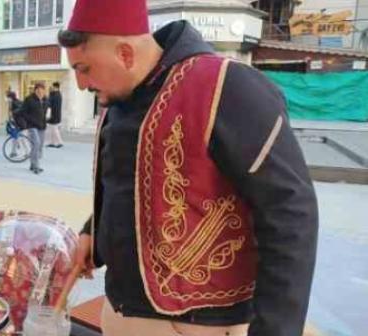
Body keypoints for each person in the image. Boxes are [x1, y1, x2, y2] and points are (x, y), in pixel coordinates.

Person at [60, 1, 319, 336]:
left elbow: (291, 211)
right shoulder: (119, 97)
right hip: (120, 311)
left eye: (84, 68)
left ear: (125, 54)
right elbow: (131, 186)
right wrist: (91, 234)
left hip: (199, 325)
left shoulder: (227, 86)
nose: (81, 85)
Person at [21, 83, 49, 174]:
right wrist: (30, 121)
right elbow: (23, 112)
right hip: (32, 126)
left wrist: (45, 123)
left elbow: (44, 113)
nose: (40, 92)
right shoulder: (29, 99)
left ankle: (32, 164)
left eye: (42, 90)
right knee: (36, 144)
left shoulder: (45, 100)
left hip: (42, 126)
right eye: (38, 90)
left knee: (39, 146)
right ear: (35, 90)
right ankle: (36, 166)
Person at [46, 82, 64, 148]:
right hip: (55, 114)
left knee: (54, 129)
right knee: (52, 129)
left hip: (54, 115)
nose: (51, 88)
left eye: (52, 87)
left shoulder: (56, 95)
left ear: (55, 87)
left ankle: (59, 142)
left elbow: (50, 103)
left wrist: (50, 93)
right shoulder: (57, 94)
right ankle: (52, 142)